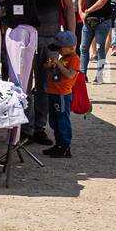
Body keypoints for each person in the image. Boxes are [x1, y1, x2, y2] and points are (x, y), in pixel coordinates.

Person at [0, 0, 74, 145]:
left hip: (50, 37)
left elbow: (69, 6)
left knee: (44, 85)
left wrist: (70, 39)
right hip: (24, 37)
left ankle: (40, 128)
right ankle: (25, 128)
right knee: (22, 84)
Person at [43, 30, 79, 158]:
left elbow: (70, 75)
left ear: (71, 47)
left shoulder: (74, 59)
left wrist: (58, 63)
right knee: (54, 120)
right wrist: (52, 66)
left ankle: (65, 146)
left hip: (62, 95)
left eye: (60, 49)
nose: (58, 51)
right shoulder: (64, 58)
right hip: (54, 93)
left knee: (62, 121)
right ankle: (58, 144)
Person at [77, 0, 115, 81]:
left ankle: (99, 75)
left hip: (103, 20)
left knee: (100, 47)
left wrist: (87, 11)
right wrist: (81, 11)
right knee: (83, 47)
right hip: (88, 20)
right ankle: (83, 75)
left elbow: (102, 1)